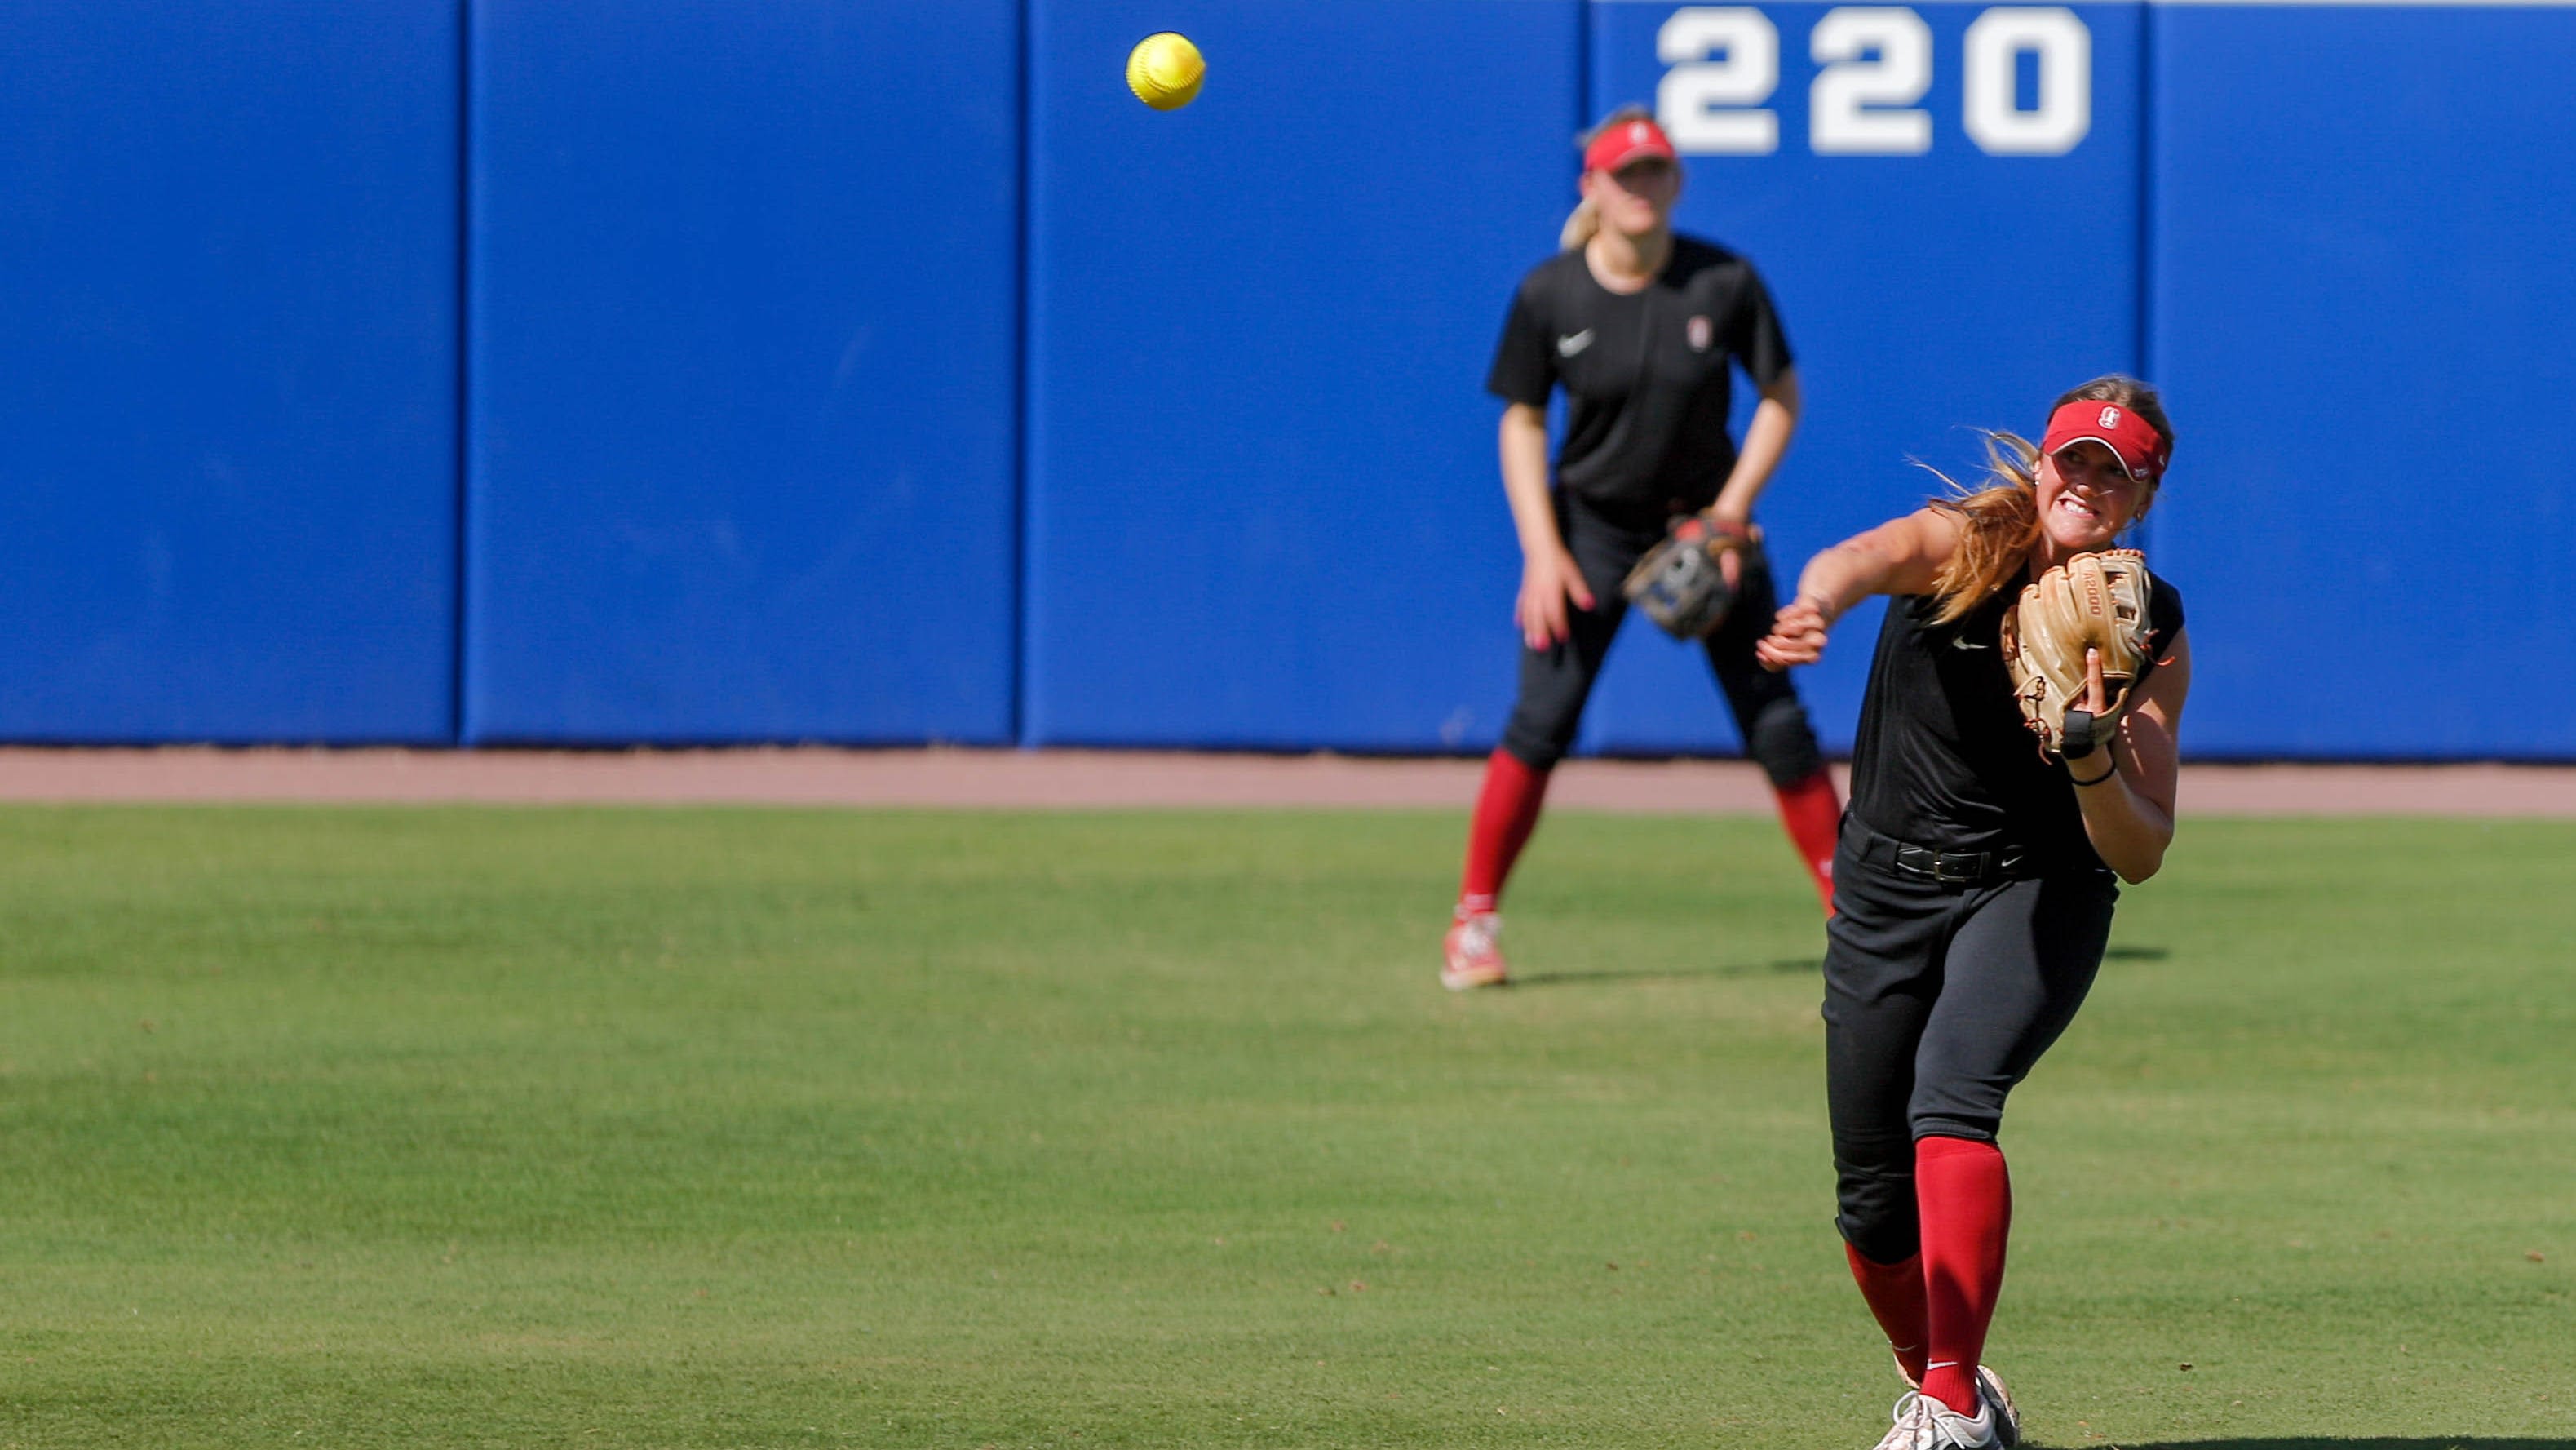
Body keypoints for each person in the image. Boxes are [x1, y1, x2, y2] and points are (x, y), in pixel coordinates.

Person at [1753, 377, 2191, 1450]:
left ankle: (1945, 1403)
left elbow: (2138, 848)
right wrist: (1815, 601)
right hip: (1887, 882)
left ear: (2140, 493)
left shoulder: (2148, 624)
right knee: (1868, 1198)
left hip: (2035, 884)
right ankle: (1948, 1386)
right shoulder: (1965, 542)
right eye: (2071, 459)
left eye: (2111, 470)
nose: (2083, 483)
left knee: (1951, 1099)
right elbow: (1859, 558)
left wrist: (2089, 750)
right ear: (2041, 462)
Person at [1443, 107, 1842, 991]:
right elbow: (1520, 422)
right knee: (1539, 724)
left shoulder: (1722, 281)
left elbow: (1780, 398)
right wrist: (1539, 552)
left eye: (1652, 171)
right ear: (1591, 186)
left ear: (1675, 182)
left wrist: (1729, 515)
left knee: (1774, 719)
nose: (1638, 187)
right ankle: (1473, 922)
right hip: (1586, 525)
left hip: (1703, 523)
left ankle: (1856, 916)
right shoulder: (1550, 293)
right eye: (1621, 174)